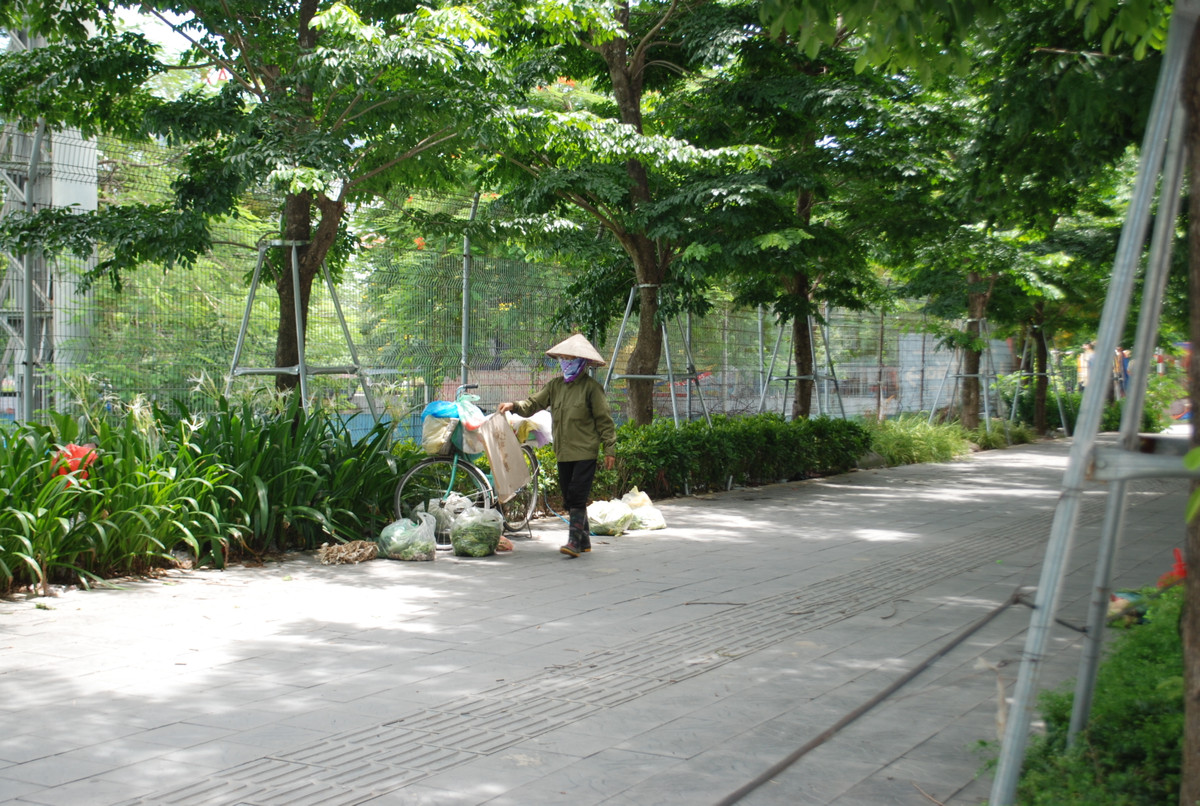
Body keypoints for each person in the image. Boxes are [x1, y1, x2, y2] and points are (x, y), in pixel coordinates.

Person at [498, 334, 617, 558]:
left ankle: (573, 542)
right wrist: (513, 405)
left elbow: (604, 420)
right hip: (563, 451)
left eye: (569, 358)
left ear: (581, 362)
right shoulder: (555, 386)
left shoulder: (591, 389)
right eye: (562, 358)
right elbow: (534, 403)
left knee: (577, 495)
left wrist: (609, 448)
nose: (565, 361)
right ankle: (584, 540)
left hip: (585, 451)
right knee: (569, 497)